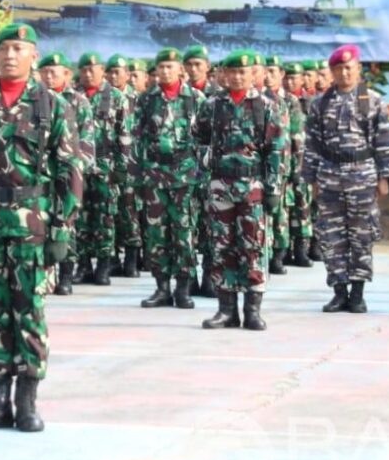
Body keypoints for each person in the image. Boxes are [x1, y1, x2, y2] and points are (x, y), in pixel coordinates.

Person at [0, 23, 83, 433]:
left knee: (29, 312)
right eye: (4, 48)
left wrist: (63, 229)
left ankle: (27, 401)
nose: (10, 55)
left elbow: (71, 172)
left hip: (33, 227)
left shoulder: (52, 106)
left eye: (18, 49)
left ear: (33, 57)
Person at [303, 45, 389, 314]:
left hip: (362, 175)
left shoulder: (373, 100)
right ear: (332, 71)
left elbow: (383, 141)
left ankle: (357, 292)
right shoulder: (319, 103)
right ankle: (338, 291)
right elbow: (312, 144)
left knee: (361, 234)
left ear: (358, 69)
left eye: (349, 67)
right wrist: (311, 179)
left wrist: (385, 177)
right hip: (330, 175)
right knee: (331, 235)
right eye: (339, 68)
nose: (344, 72)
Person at [194, 50, 284, 330]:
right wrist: (205, 170)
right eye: (231, 72)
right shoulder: (211, 105)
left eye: (242, 72)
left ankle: (253, 309)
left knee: (252, 246)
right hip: (221, 185)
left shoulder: (266, 106)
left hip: (252, 187)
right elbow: (196, 141)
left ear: (252, 74)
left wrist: (274, 189)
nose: (236, 77)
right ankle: (226, 309)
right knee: (221, 246)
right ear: (223, 74)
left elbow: (276, 151)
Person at [132, 47, 205, 309]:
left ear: (180, 70)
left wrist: (202, 176)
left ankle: (183, 288)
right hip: (154, 176)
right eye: (160, 67)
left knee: (184, 232)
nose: (164, 71)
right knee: (156, 233)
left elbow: (205, 141)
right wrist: (138, 174)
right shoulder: (146, 99)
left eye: (169, 67)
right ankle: (161, 287)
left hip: (185, 176)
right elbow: (136, 138)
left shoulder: (195, 98)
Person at [37, 52, 92, 294]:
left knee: (67, 224)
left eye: (54, 72)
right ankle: (47, 273)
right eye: (45, 72)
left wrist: (79, 172)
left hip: (68, 172)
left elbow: (87, 141)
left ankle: (67, 275)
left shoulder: (78, 101)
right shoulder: (36, 100)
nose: (49, 76)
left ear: (66, 74)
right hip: (42, 177)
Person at [76, 52, 132, 286]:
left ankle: (103, 265)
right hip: (79, 169)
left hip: (105, 167)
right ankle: (83, 264)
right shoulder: (73, 97)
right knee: (80, 219)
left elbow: (125, 135)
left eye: (93, 69)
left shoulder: (116, 97)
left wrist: (121, 170)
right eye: (84, 69)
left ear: (102, 71)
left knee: (105, 219)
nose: (89, 74)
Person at [106, 54, 142, 277]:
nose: (112, 76)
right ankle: (111, 258)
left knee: (130, 212)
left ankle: (131, 260)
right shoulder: (105, 98)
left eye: (117, 72)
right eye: (109, 72)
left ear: (127, 75)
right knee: (111, 212)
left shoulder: (138, 99)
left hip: (131, 164)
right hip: (109, 163)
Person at [282, 62, 314, 268]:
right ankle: (283, 250)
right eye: (288, 77)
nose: (290, 81)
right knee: (285, 208)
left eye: (295, 77)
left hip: (304, 161)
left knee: (303, 206)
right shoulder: (278, 100)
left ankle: (302, 248)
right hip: (284, 161)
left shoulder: (310, 102)